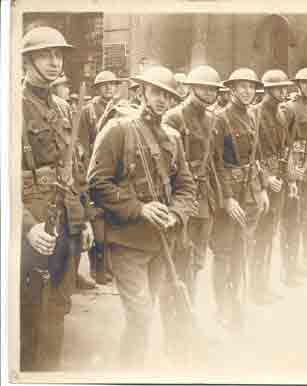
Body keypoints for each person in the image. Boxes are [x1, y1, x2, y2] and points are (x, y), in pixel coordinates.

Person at [87, 65, 196, 366]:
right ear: (142, 92)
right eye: (156, 92)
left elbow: (186, 186)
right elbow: (97, 182)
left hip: (162, 243)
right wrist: (139, 208)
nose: (161, 100)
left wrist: (176, 214)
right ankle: (130, 371)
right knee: (141, 313)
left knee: (150, 313)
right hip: (128, 242)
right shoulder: (118, 130)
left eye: (168, 95)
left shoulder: (173, 137)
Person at [20, 26, 94, 371]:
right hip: (32, 224)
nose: (54, 62)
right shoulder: (13, 107)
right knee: (29, 308)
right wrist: (26, 226)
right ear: (27, 60)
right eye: (45, 54)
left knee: (58, 307)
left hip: (67, 220)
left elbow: (75, 170)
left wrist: (86, 217)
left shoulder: (64, 108)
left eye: (58, 54)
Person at [210, 67, 270, 329]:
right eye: (241, 86)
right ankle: (221, 307)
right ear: (231, 89)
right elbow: (215, 164)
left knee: (241, 249)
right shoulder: (220, 119)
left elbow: (255, 158)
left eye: (250, 86)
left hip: (250, 192)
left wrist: (262, 188)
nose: (247, 91)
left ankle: (236, 303)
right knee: (223, 253)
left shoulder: (252, 117)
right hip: (230, 196)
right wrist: (227, 199)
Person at [162, 65, 223, 304]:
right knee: (180, 255)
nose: (209, 93)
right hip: (182, 195)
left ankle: (189, 306)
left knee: (198, 257)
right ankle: (177, 313)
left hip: (204, 195)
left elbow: (214, 161)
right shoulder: (174, 117)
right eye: (203, 88)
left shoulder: (211, 118)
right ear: (191, 88)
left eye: (212, 89)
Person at [251, 69, 293, 303]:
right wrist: (266, 179)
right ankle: (255, 288)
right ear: (267, 89)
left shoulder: (281, 114)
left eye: (285, 88)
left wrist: (288, 179)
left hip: (279, 179)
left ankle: (263, 285)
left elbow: (284, 149)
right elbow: (251, 154)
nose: (283, 92)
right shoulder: (255, 114)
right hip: (261, 182)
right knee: (259, 235)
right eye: (279, 88)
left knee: (269, 235)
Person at [78, 70, 122, 285]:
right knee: (97, 223)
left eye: (112, 85)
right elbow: (83, 144)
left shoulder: (120, 108)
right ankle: (97, 268)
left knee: (114, 221)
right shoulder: (88, 111)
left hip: (115, 172)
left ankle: (109, 267)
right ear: (97, 88)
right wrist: (87, 173)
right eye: (104, 85)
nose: (109, 89)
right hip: (94, 170)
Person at [280, 67, 307, 284]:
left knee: (305, 216)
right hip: (295, 169)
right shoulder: (289, 108)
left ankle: (298, 263)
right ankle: (288, 270)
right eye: (305, 83)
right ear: (298, 85)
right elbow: (283, 144)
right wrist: (290, 176)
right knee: (292, 220)